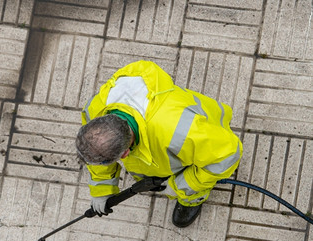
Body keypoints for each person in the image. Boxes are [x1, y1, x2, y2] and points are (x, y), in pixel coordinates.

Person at [76, 60, 242, 227]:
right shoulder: (95, 109)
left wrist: (181, 186)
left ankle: (191, 200)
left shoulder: (179, 132)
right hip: (164, 147)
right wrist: (101, 189)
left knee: (193, 186)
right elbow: (97, 148)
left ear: (125, 153)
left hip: (203, 140)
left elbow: (228, 154)